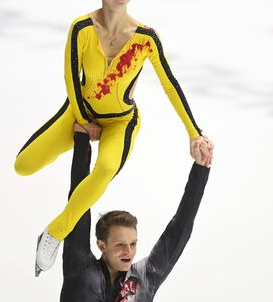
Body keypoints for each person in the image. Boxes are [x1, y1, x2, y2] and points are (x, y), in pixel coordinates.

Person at [14, 0, 212, 274]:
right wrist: (82, 120)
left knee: (105, 168)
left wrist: (194, 131)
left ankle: (54, 232)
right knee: (23, 165)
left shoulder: (146, 38)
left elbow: (170, 85)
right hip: (80, 111)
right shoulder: (80, 28)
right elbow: (70, 78)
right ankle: (57, 220)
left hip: (121, 122)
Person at [59, 129, 212, 301]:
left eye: (133, 243)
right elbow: (78, 205)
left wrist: (201, 167)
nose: (128, 251)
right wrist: (82, 138)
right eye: (120, 245)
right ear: (102, 245)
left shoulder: (145, 277)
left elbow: (179, 229)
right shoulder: (80, 269)